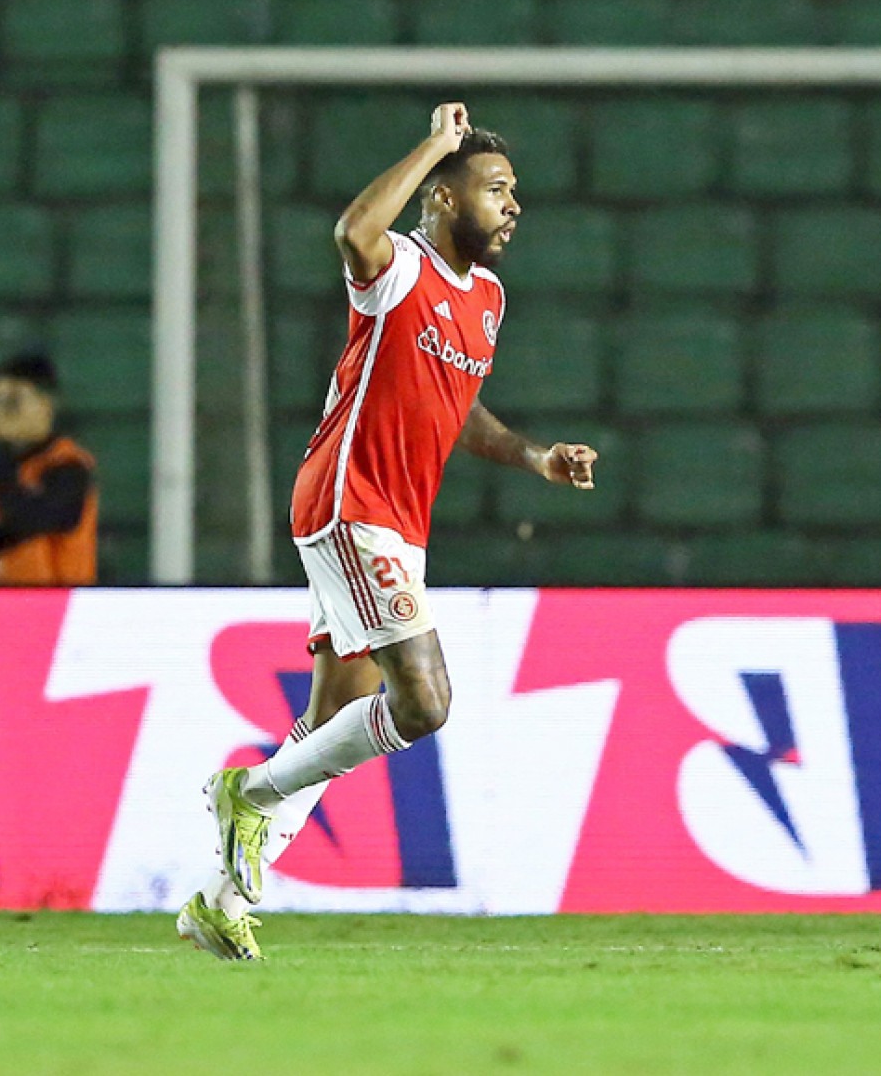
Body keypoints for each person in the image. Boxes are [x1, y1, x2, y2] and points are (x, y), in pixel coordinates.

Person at [177, 104, 600, 962]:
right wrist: (439, 145)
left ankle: (216, 902)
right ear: (442, 199)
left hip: (400, 522)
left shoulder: (487, 297)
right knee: (424, 702)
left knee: (333, 715)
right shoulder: (398, 263)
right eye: (493, 189)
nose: (513, 206)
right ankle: (248, 793)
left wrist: (535, 456)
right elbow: (352, 229)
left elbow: (460, 407)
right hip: (350, 499)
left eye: (515, 192)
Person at [0, 353, 98, 586]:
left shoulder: (69, 465)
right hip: (2, 601)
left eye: (13, 401)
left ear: (45, 405)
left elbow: (30, 519)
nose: (2, 411)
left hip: (59, 604)